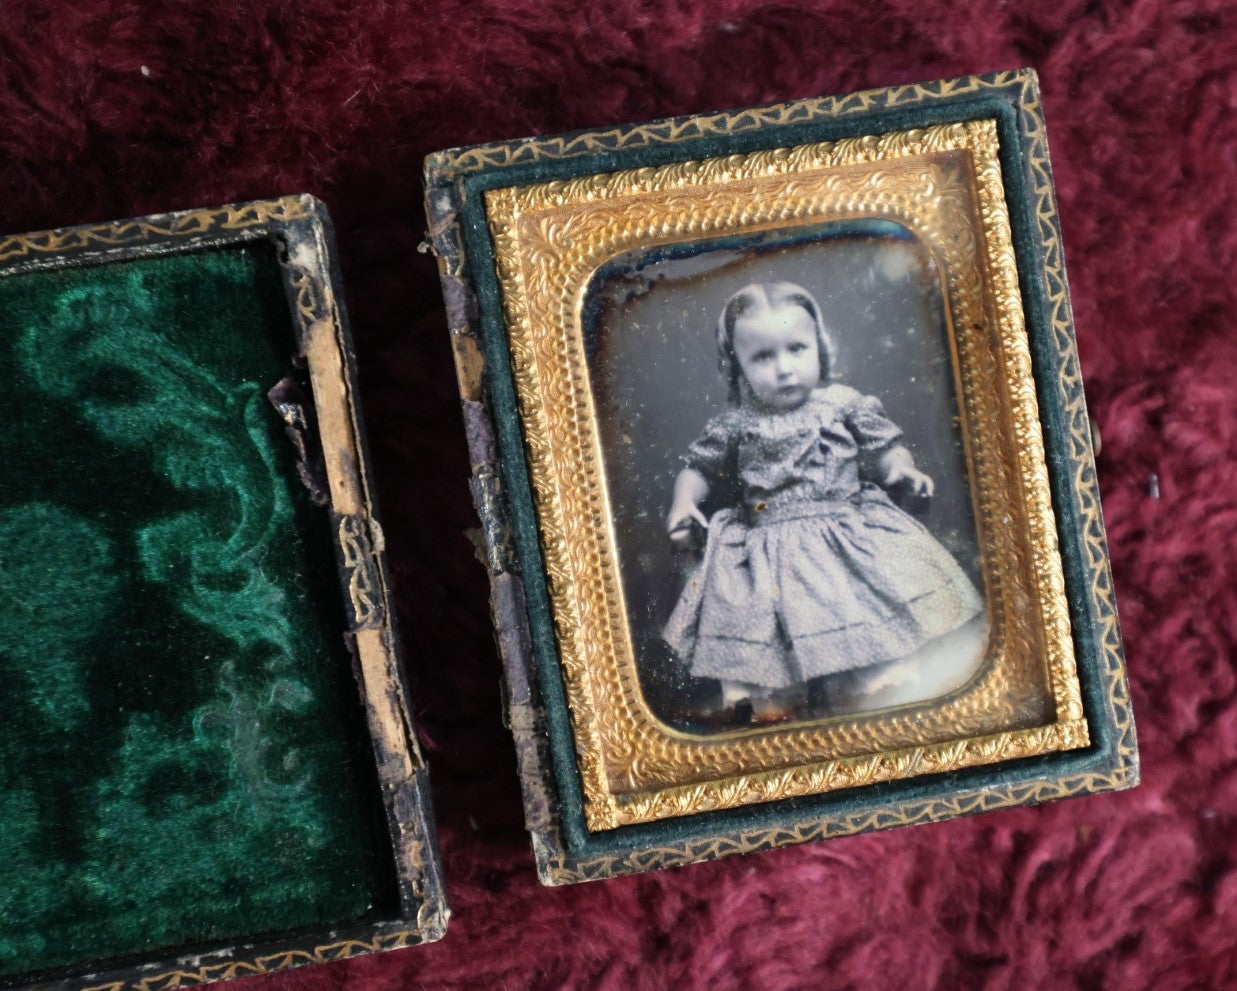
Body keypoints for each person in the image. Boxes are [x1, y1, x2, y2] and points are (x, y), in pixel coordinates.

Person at [663, 281, 986, 726]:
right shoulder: (735, 423)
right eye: (763, 356)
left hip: (845, 537)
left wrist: (900, 470)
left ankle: (882, 713)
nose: (784, 369)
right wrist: (683, 504)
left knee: (878, 650)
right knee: (767, 664)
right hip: (768, 550)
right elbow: (696, 470)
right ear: (736, 364)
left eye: (796, 348)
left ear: (820, 345)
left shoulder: (842, 404)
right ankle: (785, 726)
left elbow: (888, 448)